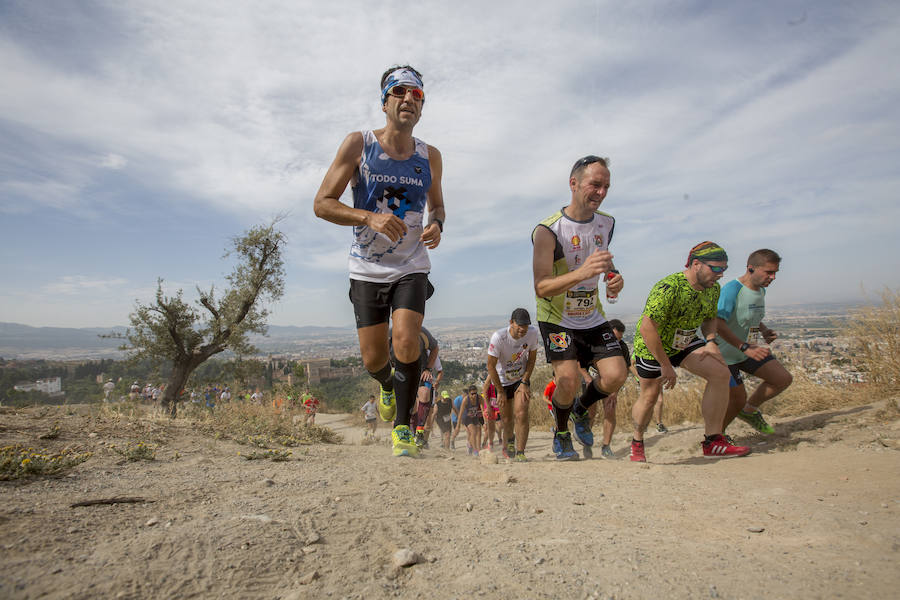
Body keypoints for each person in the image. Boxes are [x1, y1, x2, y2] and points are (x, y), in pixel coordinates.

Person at [314, 65, 445, 458]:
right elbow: (322, 204)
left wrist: (437, 224)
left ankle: (402, 427)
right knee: (374, 358)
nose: (408, 99)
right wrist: (368, 217)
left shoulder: (430, 156)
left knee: (406, 340)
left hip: (411, 264)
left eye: (416, 94)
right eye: (399, 91)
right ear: (384, 101)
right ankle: (387, 384)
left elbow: (438, 205)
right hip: (367, 268)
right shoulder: (359, 144)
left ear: (422, 106)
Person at [532, 155, 628, 460]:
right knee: (567, 380)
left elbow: (603, 260)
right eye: (595, 185)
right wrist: (583, 273)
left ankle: (580, 408)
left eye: (606, 186)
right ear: (573, 184)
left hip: (591, 316)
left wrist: (613, 278)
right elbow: (541, 287)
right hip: (557, 318)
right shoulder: (548, 230)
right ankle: (561, 432)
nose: (601, 192)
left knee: (616, 375)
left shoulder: (607, 223)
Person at [630, 241, 751, 461]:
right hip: (653, 345)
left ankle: (713, 441)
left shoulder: (713, 289)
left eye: (724, 269)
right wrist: (666, 365)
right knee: (649, 397)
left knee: (720, 374)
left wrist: (711, 341)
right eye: (716, 268)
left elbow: (710, 318)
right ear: (696, 264)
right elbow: (647, 329)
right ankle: (637, 441)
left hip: (684, 341)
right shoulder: (669, 287)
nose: (721, 274)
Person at [716, 249, 793, 435]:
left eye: (775, 273)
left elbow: (751, 316)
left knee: (782, 379)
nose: (773, 277)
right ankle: (716, 436)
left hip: (746, 351)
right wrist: (743, 346)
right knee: (737, 400)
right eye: (769, 272)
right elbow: (717, 323)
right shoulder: (732, 290)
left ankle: (749, 411)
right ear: (751, 268)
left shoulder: (761, 290)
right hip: (724, 356)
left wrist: (764, 330)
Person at [486, 308, 538, 462]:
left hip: (520, 379)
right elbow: (490, 366)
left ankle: (521, 452)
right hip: (502, 382)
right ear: (511, 323)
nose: (522, 329)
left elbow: (532, 359)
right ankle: (510, 441)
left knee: (521, 414)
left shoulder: (532, 333)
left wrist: (525, 381)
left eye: (525, 325)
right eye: (519, 325)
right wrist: (500, 391)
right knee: (507, 419)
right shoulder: (499, 337)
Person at [585, 318, 631, 459]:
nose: (617, 341)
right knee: (591, 412)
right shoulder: (593, 342)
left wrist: (615, 391)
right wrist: (587, 379)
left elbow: (625, 370)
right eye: (615, 338)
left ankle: (606, 447)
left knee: (610, 411)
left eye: (620, 339)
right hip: (591, 380)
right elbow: (580, 363)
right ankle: (586, 444)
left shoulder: (622, 347)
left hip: (610, 383)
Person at [452, 385, 484, 456]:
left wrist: (485, 422)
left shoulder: (479, 398)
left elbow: (483, 410)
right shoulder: (466, 400)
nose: (474, 395)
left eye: (475, 393)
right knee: (473, 431)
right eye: (472, 394)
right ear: (469, 393)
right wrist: (458, 426)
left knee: (479, 430)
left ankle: (477, 448)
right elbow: (460, 413)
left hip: (474, 416)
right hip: (466, 417)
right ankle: (475, 450)